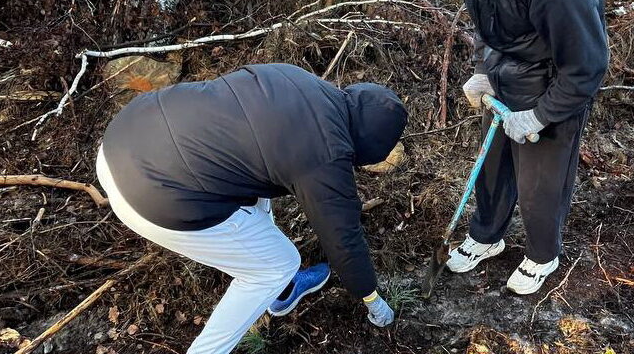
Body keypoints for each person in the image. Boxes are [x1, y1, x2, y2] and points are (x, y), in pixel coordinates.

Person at [96, 64, 407, 354]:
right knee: (278, 264)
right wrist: (371, 297)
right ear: (368, 146)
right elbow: (344, 240)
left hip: (124, 137)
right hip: (153, 197)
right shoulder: (326, 155)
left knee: (257, 171)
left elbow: (255, 142)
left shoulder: (299, 79)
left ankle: (283, 294)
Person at [415, 0, 609, 295]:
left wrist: (540, 116)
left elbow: (587, 65)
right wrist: (485, 69)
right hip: (507, 68)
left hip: (554, 80)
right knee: (492, 164)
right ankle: (488, 236)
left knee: (540, 182)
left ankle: (543, 255)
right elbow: (489, 17)